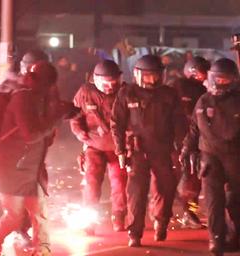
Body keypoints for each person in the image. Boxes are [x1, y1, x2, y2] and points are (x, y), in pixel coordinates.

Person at [0, 61, 60, 256]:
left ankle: (42, 250)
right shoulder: (21, 98)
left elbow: (44, 138)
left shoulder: (39, 99)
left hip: (31, 169)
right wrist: (56, 118)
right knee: (14, 217)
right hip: (12, 170)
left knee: (39, 214)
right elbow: (31, 134)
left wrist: (57, 116)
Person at [110, 54, 187, 247]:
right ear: (138, 75)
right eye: (148, 76)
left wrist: (181, 148)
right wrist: (120, 150)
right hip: (136, 151)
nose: (152, 80)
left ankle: (161, 222)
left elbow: (179, 122)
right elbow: (116, 123)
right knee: (136, 193)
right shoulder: (127, 93)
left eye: (155, 76)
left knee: (165, 189)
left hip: (163, 149)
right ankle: (135, 233)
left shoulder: (169, 94)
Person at [179, 58, 240, 256]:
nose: (220, 83)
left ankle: (235, 237)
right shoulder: (204, 100)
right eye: (218, 79)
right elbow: (194, 129)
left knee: (235, 199)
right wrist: (187, 148)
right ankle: (216, 240)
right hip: (210, 156)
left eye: (225, 80)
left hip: (235, 156)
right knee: (213, 201)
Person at [70, 59, 127, 234]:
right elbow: (75, 117)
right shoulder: (85, 93)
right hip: (93, 146)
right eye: (106, 83)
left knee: (119, 183)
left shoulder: (125, 92)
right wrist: (80, 133)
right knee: (92, 182)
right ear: (96, 79)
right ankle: (89, 221)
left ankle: (119, 217)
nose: (110, 87)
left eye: (113, 83)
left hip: (118, 148)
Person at [171, 56, 210, 228]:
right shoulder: (177, 87)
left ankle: (190, 212)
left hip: (198, 140)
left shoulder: (207, 90)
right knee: (174, 177)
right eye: (201, 73)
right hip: (177, 140)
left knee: (194, 178)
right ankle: (168, 211)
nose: (204, 76)